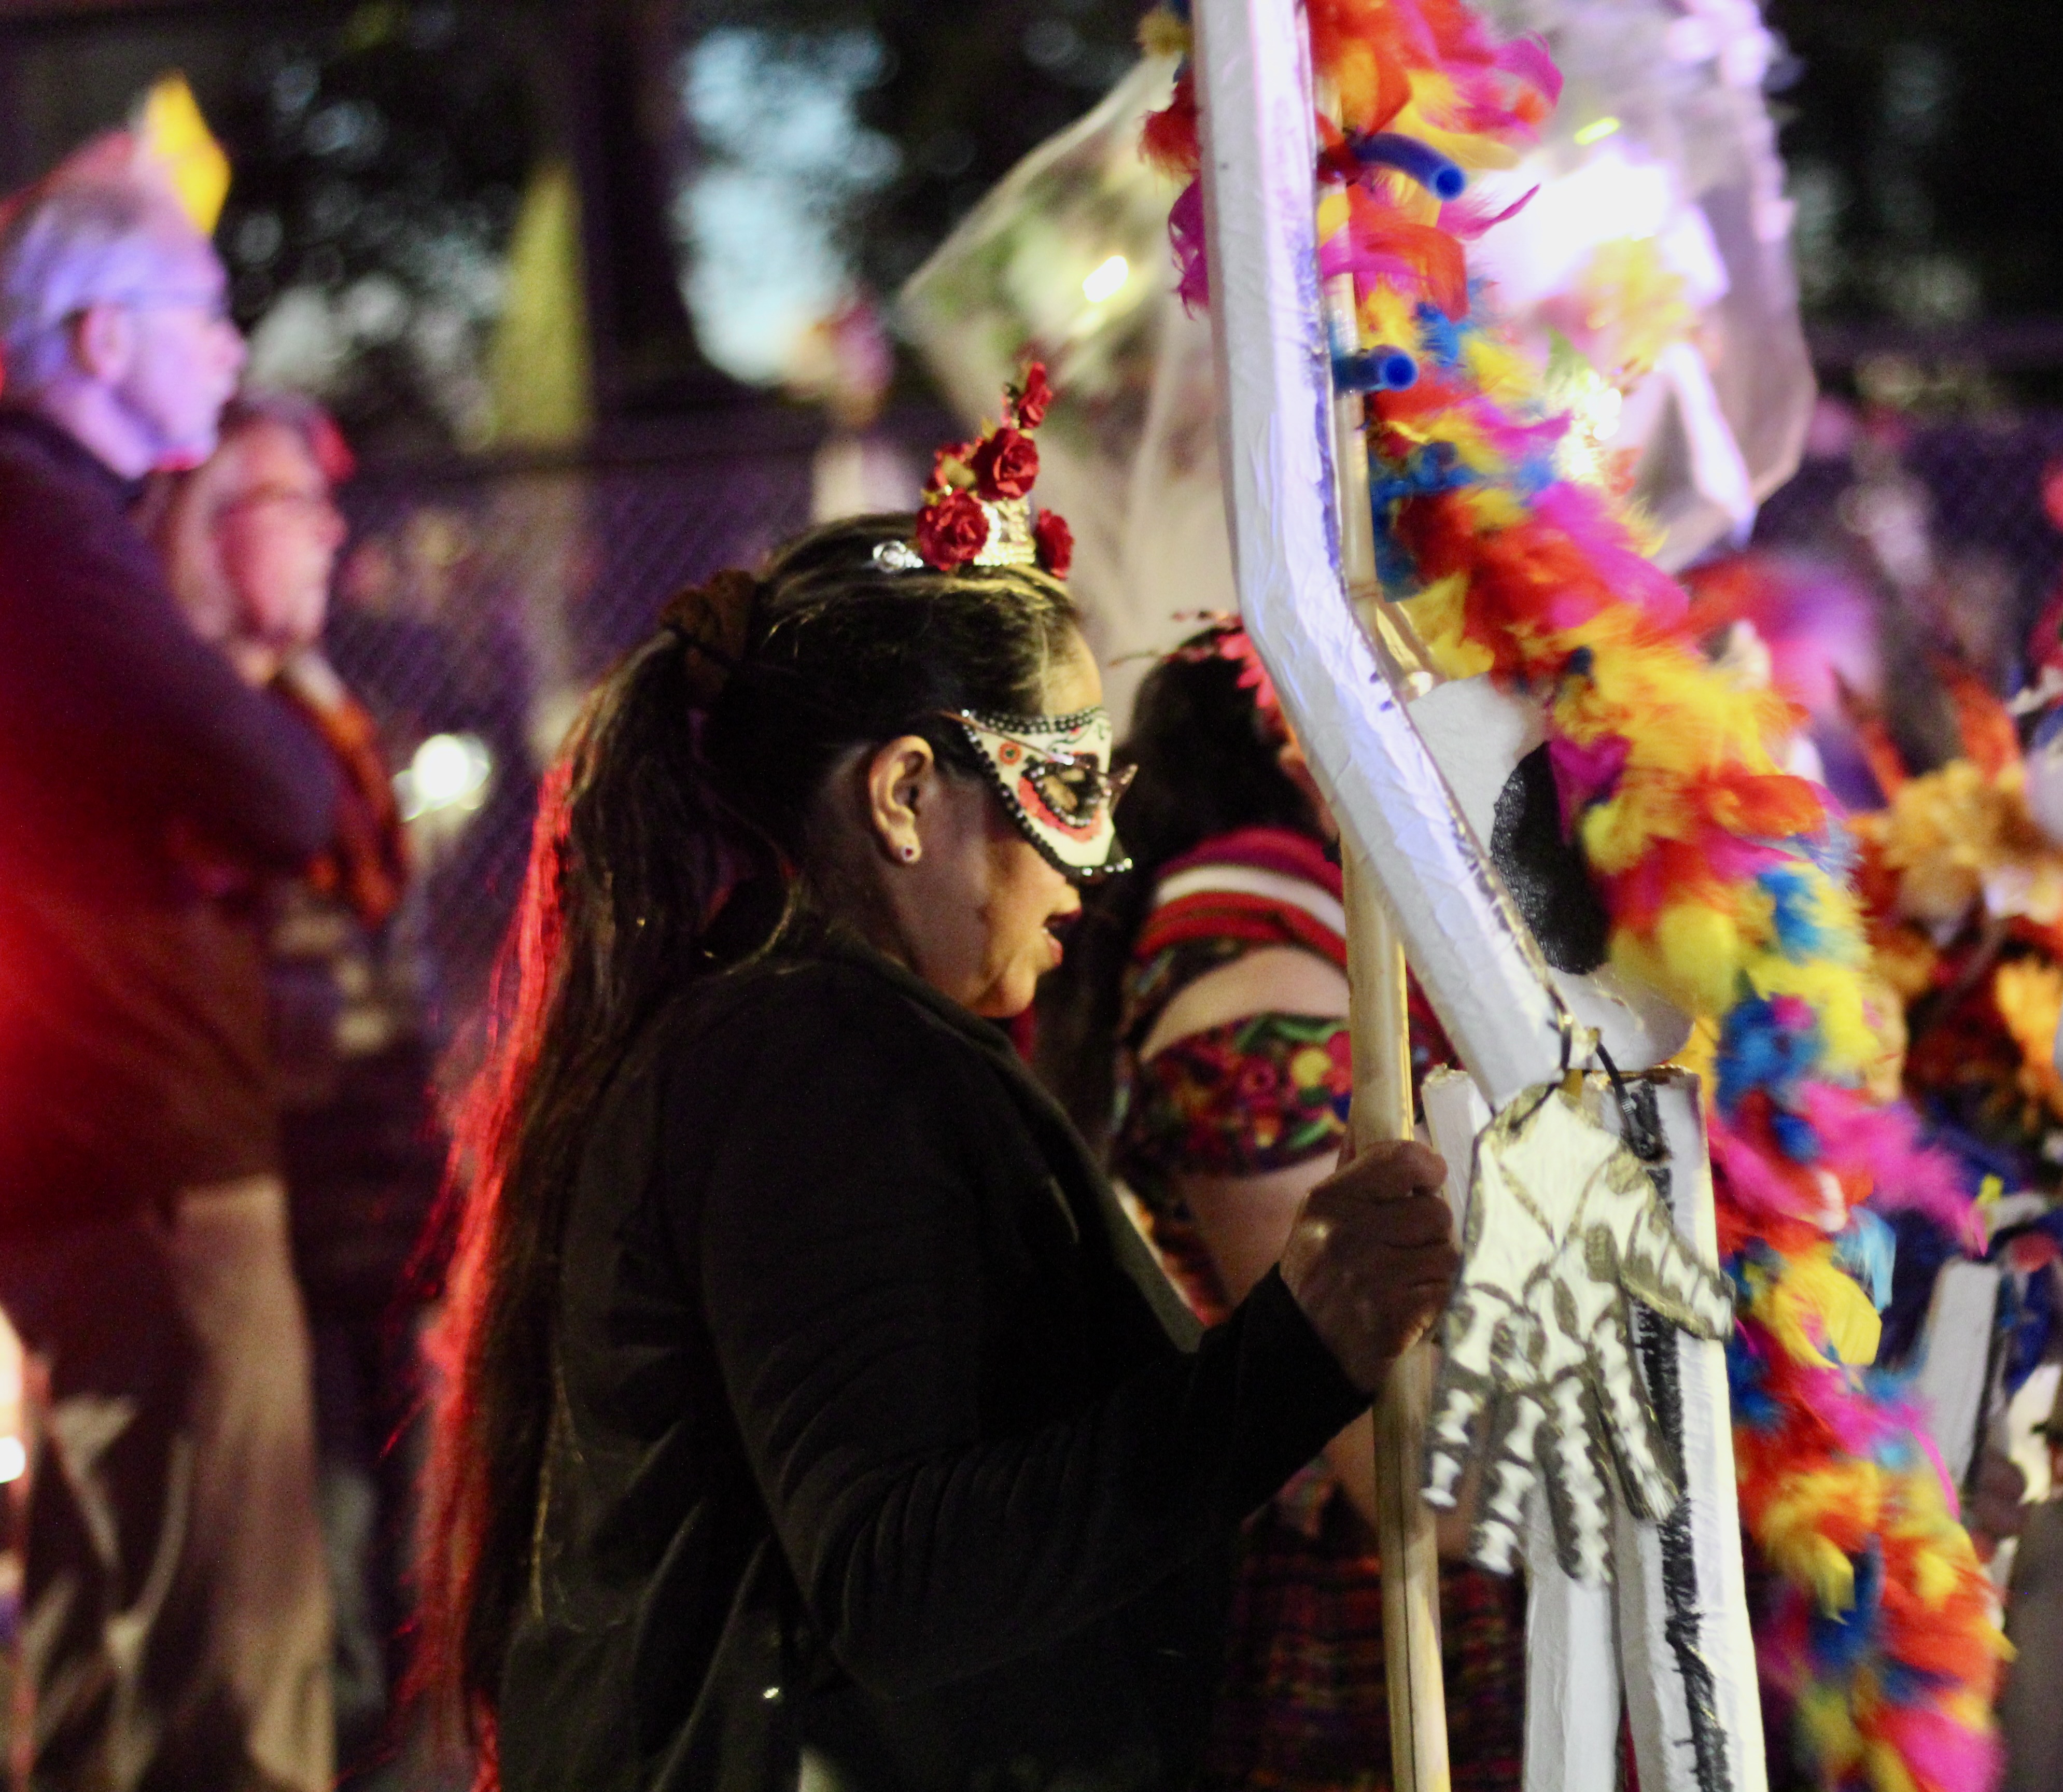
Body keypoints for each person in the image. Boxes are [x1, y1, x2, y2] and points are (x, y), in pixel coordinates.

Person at [419, 488, 1459, 1791]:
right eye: (1067, 784)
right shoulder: (812, 1058)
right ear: (905, 792)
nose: (1092, 865)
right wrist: (1295, 1346)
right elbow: (897, 1577)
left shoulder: (789, 1036)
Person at [1033, 620, 1525, 1791]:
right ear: (1295, 732)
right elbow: (1376, 1440)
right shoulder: (1248, 967)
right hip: (1379, 1594)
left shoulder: (1295, 933)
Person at [0, 145, 341, 1787]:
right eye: (198, 314)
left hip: (80, 1154)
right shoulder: (50, 532)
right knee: (228, 1671)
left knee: (93, 1654)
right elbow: (283, 790)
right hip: (149, 1158)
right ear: (95, 342)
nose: (229, 345)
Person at [143, 391, 445, 1783]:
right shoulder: (194, 720)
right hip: (265, 1203)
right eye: (292, 504)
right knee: (299, 1568)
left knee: (389, 1541)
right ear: (213, 528)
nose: (331, 532)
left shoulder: (325, 706)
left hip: (375, 1202)